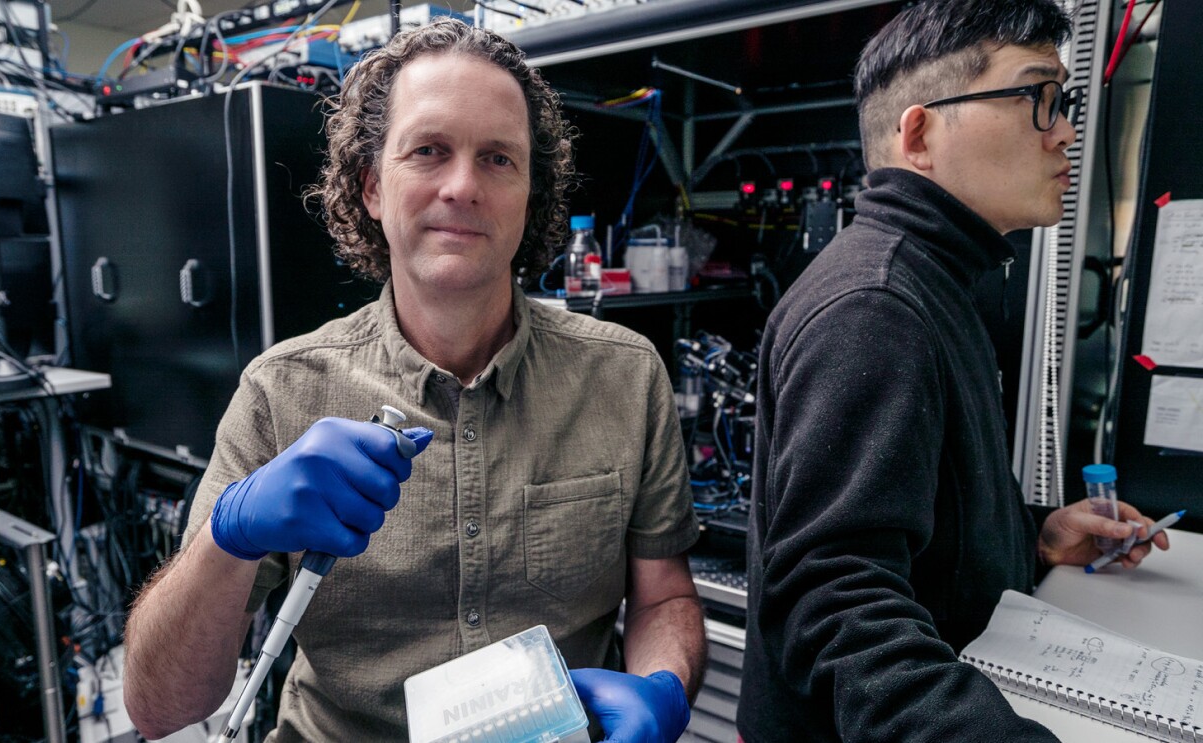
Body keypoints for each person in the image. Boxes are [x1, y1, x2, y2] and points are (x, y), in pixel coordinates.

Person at [122, 18, 706, 743]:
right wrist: (227, 538)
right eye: (429, 151)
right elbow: (159, 707)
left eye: (498, 159)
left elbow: (663, 597)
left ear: (531, 196)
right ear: (370, 186)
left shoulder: (624, 375)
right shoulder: (282, 393)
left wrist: (663, 686)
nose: (462, 186)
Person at [736, 1, 1170, 741]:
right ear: (920, 132)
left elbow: (914, 525)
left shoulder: (930, 284)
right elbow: (838, 602)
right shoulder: (876, 305)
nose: (1065, 130)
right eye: (1038, 98)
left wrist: (1033, 539)